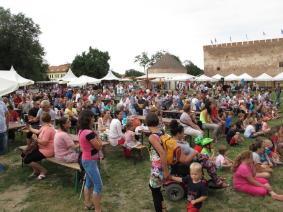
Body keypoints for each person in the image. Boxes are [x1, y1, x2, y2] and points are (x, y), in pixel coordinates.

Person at [78, 110, 103, 211]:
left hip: (86, 159)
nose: (94, 119)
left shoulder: (81, 131)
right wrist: (98, 137)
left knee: (88, 183)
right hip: (90, 161)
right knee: (98, 185)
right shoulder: (89, 133)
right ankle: (98, 209)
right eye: (92, 117)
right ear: (88, 119)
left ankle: (87, 204)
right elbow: (99, 147)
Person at [146, 112, 169, 212]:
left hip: (158, 168)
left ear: (147, 123)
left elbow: (162, 153)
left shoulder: (152, 137)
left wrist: (165, 171)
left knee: (154, 190)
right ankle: (163, 208)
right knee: (156, 188)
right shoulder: (162, 132)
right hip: (163, 165)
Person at [24, 113, 55, 180]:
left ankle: (43, 171)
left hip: (47, 151)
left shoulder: (48, 129)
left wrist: (35, 139)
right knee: (24, 154)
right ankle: (36, 171)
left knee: (27, 160)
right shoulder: (44, 126)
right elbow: (38, 132)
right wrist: (30, 128)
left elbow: (44, 143)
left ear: (42, 120)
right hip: (42, 149)